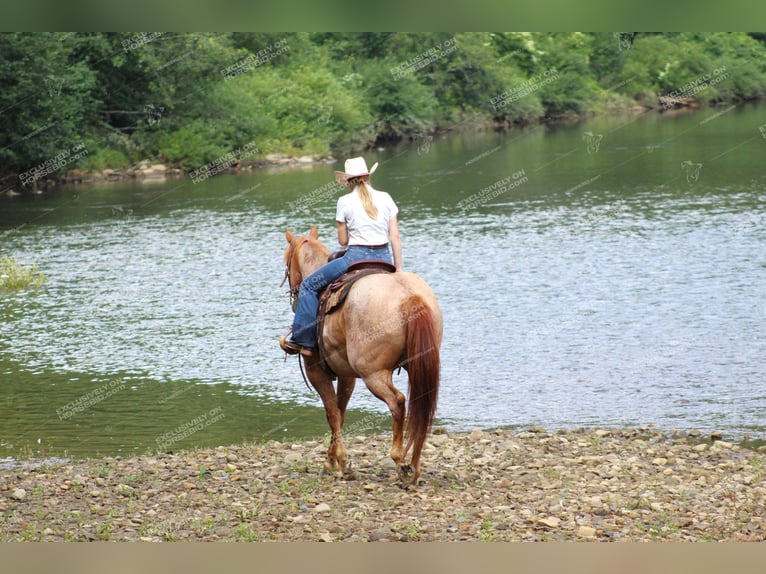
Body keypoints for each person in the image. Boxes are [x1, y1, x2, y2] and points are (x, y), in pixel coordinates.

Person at [280, 157, 402, 357]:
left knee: (309, 285)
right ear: (367, 176)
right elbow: (395, 238)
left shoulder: (344, 201)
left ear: (347, 181)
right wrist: (398, 269)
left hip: (354, 259)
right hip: (384, 259)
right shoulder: (386, 197)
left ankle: (304, 341)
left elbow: (343, 241)